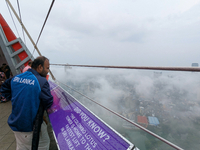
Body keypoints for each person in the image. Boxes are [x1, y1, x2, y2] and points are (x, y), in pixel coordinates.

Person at [1, 56, 53, 150]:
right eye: (47, 68)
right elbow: (48, 102)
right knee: (44, 144)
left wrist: (17, 99)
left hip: (15, 123)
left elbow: (4, 88)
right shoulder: (41, 81)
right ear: (40, 67)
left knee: (21, 146)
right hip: (30, 127)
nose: (48, 71)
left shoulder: (16, 77)